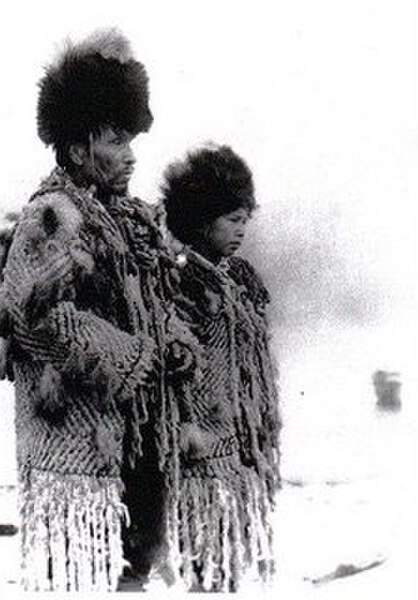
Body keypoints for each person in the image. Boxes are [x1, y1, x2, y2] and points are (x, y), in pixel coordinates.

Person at [0, 28, 197, 592]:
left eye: (131, 141)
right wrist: (131, 357)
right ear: (78, 148)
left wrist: (173, 340)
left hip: (141, 446)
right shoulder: (51, 217)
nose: (129, 156)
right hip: (77, 446)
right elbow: (37, 321)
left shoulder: (131, 220)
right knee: (80, 576)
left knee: (135, 574)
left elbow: (158, 303)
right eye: (116, 141)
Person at [160, 143, 281, 591]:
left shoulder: (239, 278)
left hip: (237, 451)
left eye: (246, 219)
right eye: (233, 219)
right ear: (200, 219)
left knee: (228, 566)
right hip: (199, 458)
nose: (242, 229)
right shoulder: (180, 281)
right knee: (203, 566)